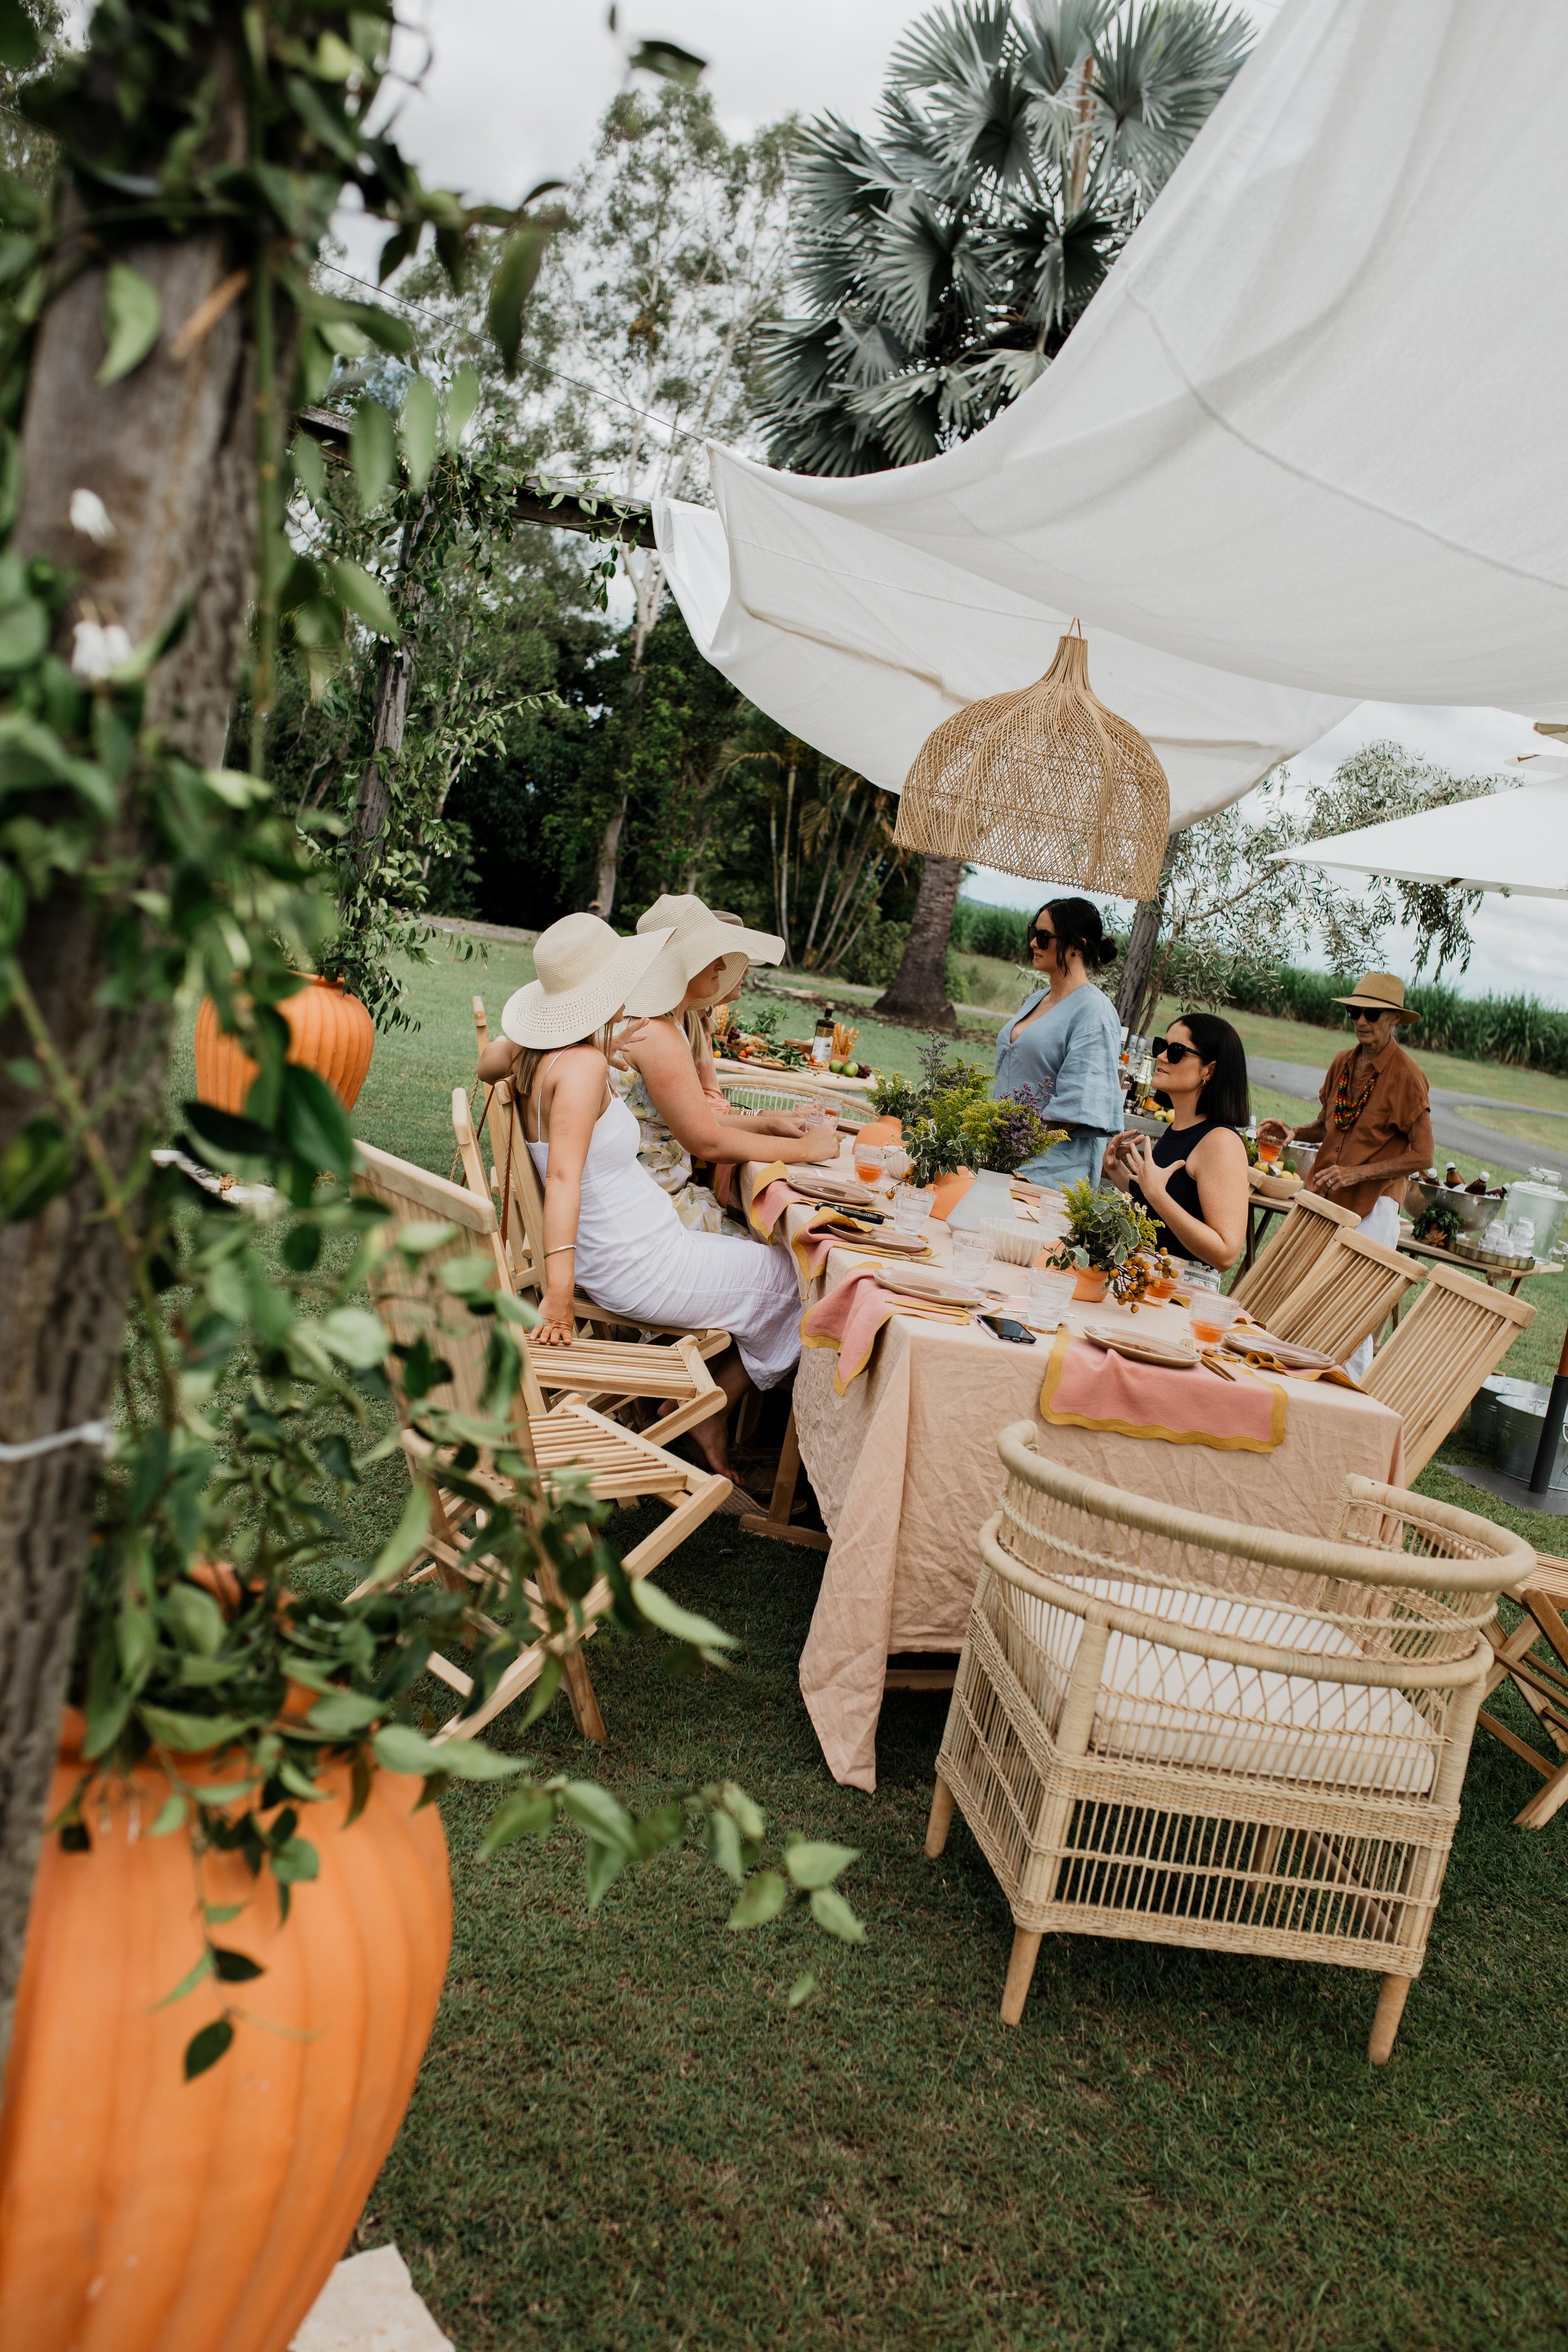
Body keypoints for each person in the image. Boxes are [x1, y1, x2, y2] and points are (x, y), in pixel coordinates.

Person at [479, 912, 804, 1491]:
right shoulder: (578, 1068)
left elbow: (489, 1062)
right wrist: (557, 1300)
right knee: (801, 1282)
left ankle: (706, 1407)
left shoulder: (542, 1053)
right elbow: (562, 1181)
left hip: (646, 1247)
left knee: (783, 1273)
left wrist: (601, 1043)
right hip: (643, 1264)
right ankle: (708, 1410)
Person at [611, 893, 838, 1228]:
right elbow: (707, 1142)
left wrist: (771, 1125)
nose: (722, 965)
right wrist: (806, 1149)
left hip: (648, 1198)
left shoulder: (659, 1023)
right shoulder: (656, 1032)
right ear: (682, 963)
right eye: (713, 955)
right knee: (791, 1260)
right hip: (649, 1214)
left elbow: (697, 1121)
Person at [1256, 970, 1432, 1374]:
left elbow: (1423, 1155)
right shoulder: (1343, 1063)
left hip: (1374, 1207)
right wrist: (1296, 1132)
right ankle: (1298, 1378)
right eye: (1355, 1013)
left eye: (1371, 1014)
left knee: (1351, 1307)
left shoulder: (1407, 1076)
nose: (1361, 1022)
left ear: (1392, 1020)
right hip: (1324, 1197)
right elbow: (1331, 1123)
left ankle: (1346, 1390)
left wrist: (1357, 1174)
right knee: (1302, 1290)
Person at [1101, 1014, 1251, 1271]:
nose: (1160, 1056)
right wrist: (1117, 1169)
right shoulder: (1180, 1127)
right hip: (1145, 1275)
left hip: (1182, 1291)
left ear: (1210, 1070)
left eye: (1176, 1051)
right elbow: (1158, 1208)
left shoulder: (1220, 1142)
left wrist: (1157, 1194)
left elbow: (1226, 1254)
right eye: (1162, 1046)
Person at [992, 897, 1124, 1187]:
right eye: (1033, 934)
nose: (1033, 944)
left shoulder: (1094, 1013)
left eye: (1044, 937)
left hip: (1049, 1176)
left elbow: (1079, 1106)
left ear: (1077, 945)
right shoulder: (1036, 999)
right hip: (1006, 1162)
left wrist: (1017, 1141)